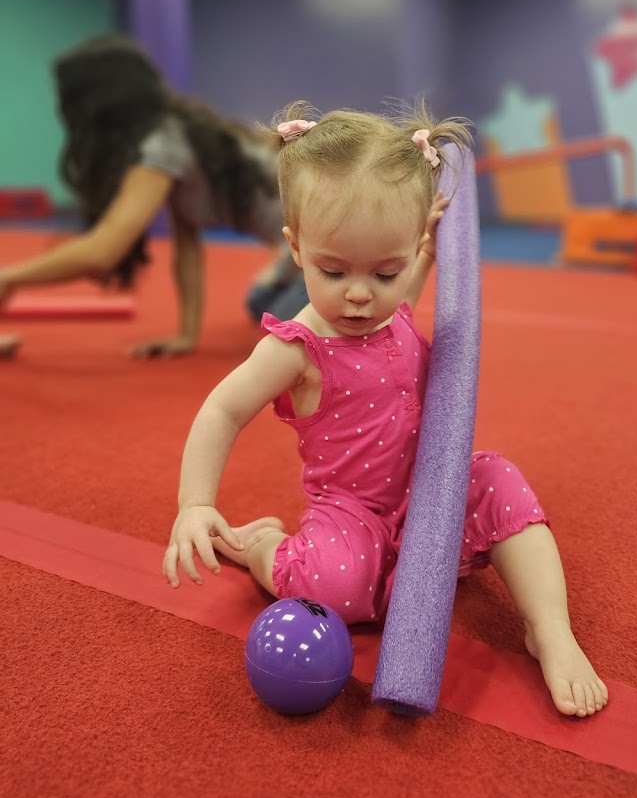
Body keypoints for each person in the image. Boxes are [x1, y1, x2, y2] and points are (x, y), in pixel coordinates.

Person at [163, 101, 608, 719]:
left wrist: (425, 251)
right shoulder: (296, 347)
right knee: (339, 591)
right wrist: (196, 503)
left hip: (431, 491)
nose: (359, 293)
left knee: (502, 483)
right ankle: (262, 549)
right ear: (295, 247)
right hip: (352, 511)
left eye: (386, 271)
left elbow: (412, 273)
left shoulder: (390, 300)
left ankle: (551, 633)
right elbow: (220, 411)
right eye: (333, 268)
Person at [0, 33, 304, 357]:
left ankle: (349, 290)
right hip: (304, 245)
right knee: (259, 304)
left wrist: (9, 277)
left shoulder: (162, 144)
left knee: (288, 328)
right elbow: (186, 246)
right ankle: (304, 277)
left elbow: (102, 250)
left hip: (334, 243)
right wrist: (187, 336)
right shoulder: (175, 133)